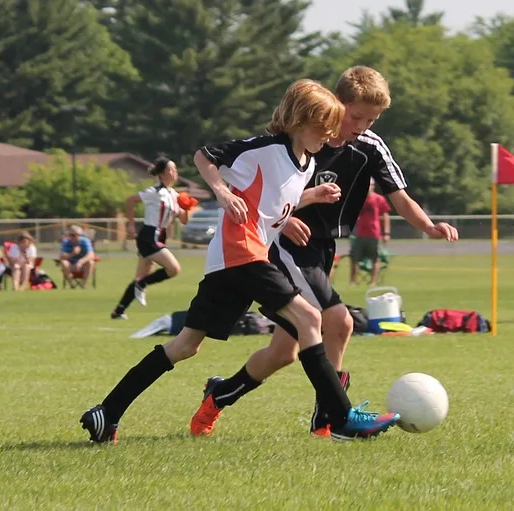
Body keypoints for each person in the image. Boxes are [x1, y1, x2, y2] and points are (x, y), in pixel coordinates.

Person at [80, 79, 400, 445]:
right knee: (311, 317)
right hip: (241, 253)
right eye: (322, 128)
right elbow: (205, 155)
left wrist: (311, 196)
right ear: (298, 121)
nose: (328, 136)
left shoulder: (306, 163)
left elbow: (276, 204)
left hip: (231, 263)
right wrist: (221, 192)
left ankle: (107, 412)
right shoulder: (265, 148)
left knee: (185, 346)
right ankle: (340, 418)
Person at [191, 66, 458, 439]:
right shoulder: (303, 139)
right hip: (287, 247)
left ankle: (219, 394)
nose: (362, 125)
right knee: (340, 321)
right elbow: (268, 194)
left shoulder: (369, 147)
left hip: (322, 249)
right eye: (356, 116)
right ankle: (331, 419)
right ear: (336, 105)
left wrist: (428, 226)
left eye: (372, 119)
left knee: (283, 353)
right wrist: (284, 221)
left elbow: (399, 195)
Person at [111, 156, 197, 319]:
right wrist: (130, 224)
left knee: (140, 276)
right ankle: (142, 285)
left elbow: (184, 220)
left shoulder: (175, 195)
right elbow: (131, 200)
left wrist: (186, 208)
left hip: (160, 236)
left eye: (176, 169)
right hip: (149, 236)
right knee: (173, 269)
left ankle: (119, 310)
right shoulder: (155, 192)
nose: (175, 172)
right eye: (172, 169)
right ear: (163, 173)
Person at [350, 179, 391, 286]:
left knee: (375, 258)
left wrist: (386, 233)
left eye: (370, 185)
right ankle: (353, 280)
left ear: (373, 186)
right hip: (360, 234)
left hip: (374, 234)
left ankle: (373, 281)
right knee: (355, 258)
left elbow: (385, 216)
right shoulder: (359, 198)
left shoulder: (379, 199)